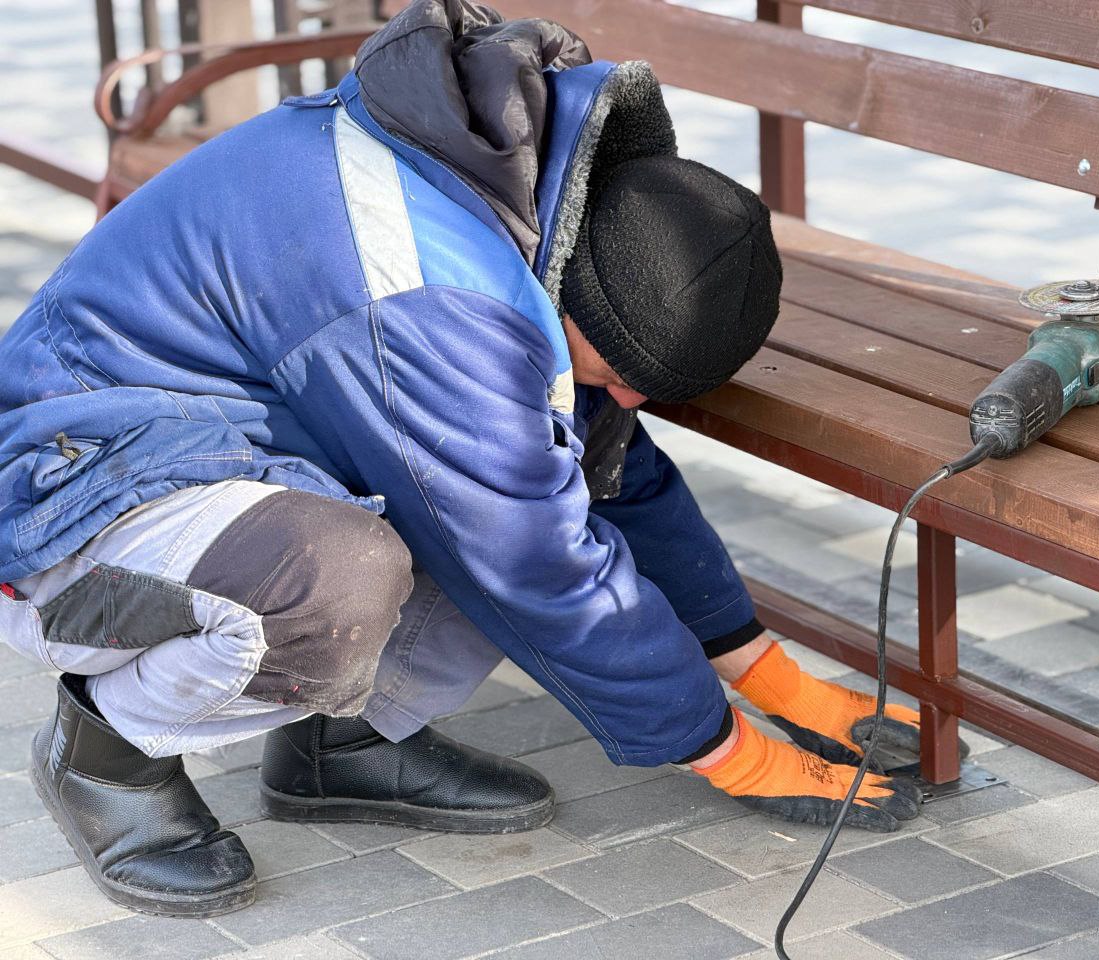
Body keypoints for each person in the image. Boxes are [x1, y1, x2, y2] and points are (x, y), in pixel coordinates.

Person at [0, 1, 926, 918]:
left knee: (546, 462)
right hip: (72, 483)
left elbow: (605, 473)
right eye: (635, 373)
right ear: (584, 309)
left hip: (231, 445)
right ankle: (105, 748)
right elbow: (536, 564)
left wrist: (768, 673)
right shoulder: (434, 296)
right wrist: (729, 750)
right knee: (344, 576)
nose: (640, 399)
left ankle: (341, 746)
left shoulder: (534, 207)